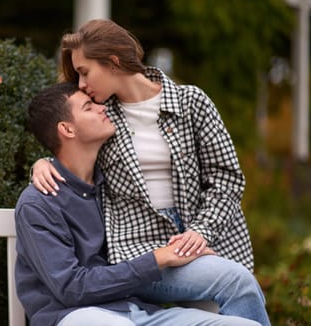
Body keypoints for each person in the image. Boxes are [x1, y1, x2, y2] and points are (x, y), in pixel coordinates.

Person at [15, 81, 268, 326]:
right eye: (89, 108)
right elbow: (71, 288)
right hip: (73, 315)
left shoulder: (112, 185)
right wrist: (158, 259)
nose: (102, 107)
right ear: (67, 129)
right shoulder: (38, 204)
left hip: (135, 310)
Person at [31, 19, 255, 273]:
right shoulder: (103, 120)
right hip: (143, 251)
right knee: (234, 281)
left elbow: (227, 178)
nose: (81, 84)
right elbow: (72, 149)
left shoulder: (191, 102)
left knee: (235, 282)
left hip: (210, 238)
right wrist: (43, 163)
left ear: (112, 62)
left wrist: (200, 232)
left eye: (85, 72)